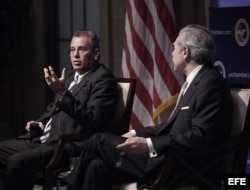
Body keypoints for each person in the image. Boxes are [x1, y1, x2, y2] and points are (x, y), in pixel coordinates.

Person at [65, 24, 233, 190]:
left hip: (181, 165)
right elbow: (171, 128)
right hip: (168, 157)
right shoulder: (194, 82)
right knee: (96, 166)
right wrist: (135, 133)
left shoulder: (210, 83)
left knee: (98, 140)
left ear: (185, 52)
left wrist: (149, 144)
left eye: (174, 48)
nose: (171, 53)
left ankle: (68, 187)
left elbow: (200, 137)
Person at [0, 29, 118, 190]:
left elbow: (94, 120)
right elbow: (52, 110)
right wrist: (40, 123)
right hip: (41, 138)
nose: (75, 55)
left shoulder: (103, 79)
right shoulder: (69, 76)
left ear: (96, 53)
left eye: (81, 49)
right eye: (72, 50)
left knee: (16, 162)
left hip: (64, 145)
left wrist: (62, 93)